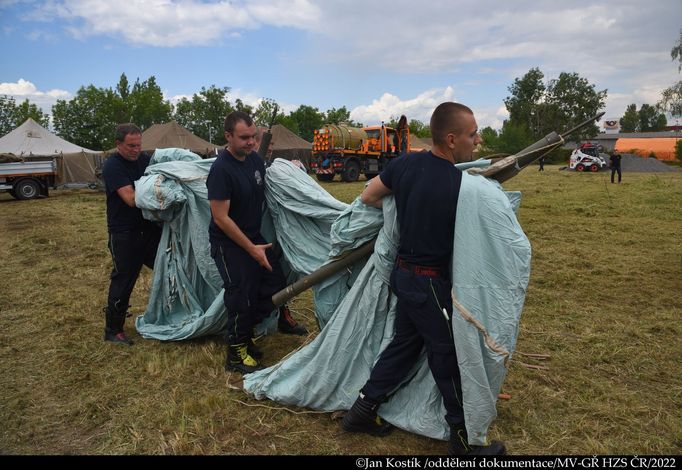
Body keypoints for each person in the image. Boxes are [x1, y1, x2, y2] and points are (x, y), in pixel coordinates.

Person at [341, 102, 506, 456]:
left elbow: (369, 196)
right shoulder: (461, 186)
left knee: (405, 345)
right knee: (447, 355)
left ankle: (362, 411)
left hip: (404, 275)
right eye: (472, 134)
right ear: (451, 139)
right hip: (429, 284)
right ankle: (463, 441)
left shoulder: (405, 164)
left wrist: (403, 208)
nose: (477, 141)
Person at [207, 112, 307, 375]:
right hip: (229, 243)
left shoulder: (254, 161)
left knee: (275, 283)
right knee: (240, 295)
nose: (251, 143)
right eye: (244, 138)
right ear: (228, 136)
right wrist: (250, 249)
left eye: (253, 137)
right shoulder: (221, 170)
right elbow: (220, 218)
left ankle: (245, 333)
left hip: (254, 238)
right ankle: (236, 353)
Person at [101, 123, 161, 346]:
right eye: (131, 146)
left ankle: (171, 314)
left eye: (139, 145)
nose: (136, 150)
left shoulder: (145, 161)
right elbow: (130, 198)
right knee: (124, 280)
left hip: (150, 230)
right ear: (118, 144)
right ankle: (113, 329)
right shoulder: (112, 166)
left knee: (168, 268)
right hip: (124, 234)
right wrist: (163, 199)